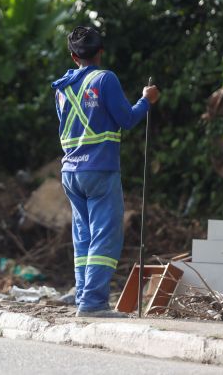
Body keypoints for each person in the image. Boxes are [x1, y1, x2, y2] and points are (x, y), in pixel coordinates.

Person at [52, 26, 159, 317]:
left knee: (83, 236)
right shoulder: (105, 79)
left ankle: (82, 294)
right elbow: (126, 119)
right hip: (100, 170)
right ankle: (93, 303)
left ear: (74, 56)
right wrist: (146, 101)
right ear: (101, 52)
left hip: (71, 172)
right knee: (105, 236)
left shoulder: (61, 87)